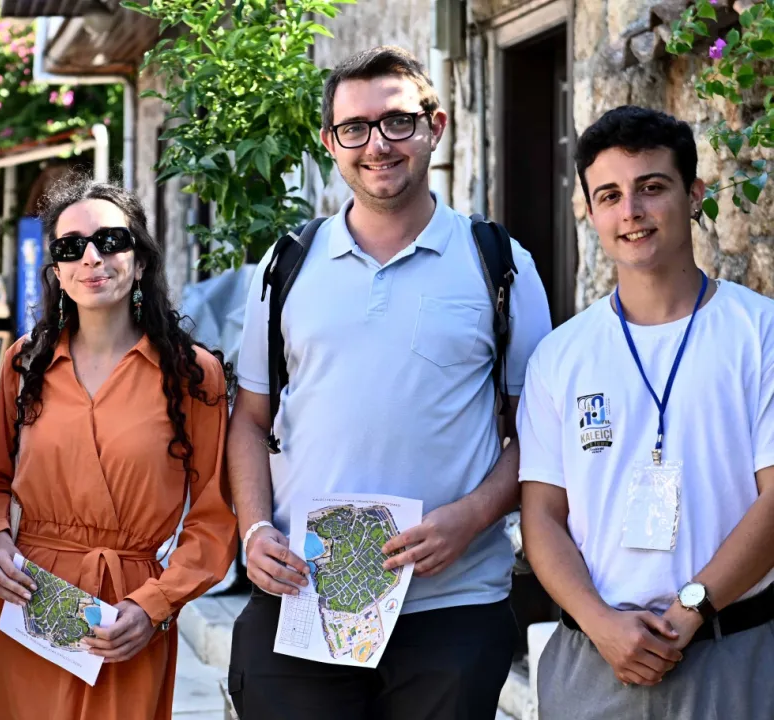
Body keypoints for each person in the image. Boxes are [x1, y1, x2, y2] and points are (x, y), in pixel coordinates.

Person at [225, 45, 553, 719]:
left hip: (452, 605)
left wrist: (473, 517)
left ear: (436, 126)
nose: (377, 145)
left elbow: (539, 435)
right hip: (304, 600)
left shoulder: (500, 264)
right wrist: (254, 530)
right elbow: (251, 419)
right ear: (330, 143)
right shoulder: (286, 266)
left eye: (398, 121)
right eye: (355, 128)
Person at [517, 105, 774, 719]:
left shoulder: (759, 333)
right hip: (592, 658)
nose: (630, 211)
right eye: (609, 195)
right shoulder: (560, 355)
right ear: (589, 211)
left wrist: (692, 608)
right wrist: (600, 622)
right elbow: (542, 516)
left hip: (730, 650)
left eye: (652, 187)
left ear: (695, 195)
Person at [0, 175, 238, 720]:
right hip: (28, 602)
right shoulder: (24, 364)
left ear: (140, 261)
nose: (92, 258)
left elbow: (215, 517)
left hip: (126, 618)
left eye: (110, 241)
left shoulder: (192, 374)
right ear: (57, 271)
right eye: (71, 248)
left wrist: (156, 604)